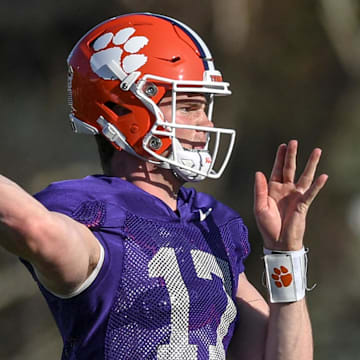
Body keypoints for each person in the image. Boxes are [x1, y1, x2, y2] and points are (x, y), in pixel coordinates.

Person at [0, 12, 328, 360]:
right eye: (188, 107)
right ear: (125, 111)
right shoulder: (96, 219)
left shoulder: (211, 225)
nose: (206, 123)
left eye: (204, 106)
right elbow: (32, 226)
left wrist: (285, 254)